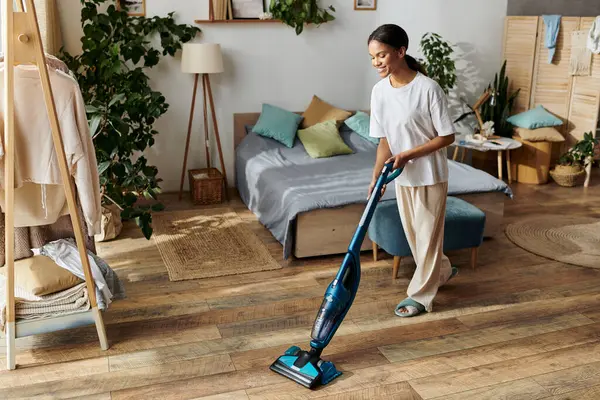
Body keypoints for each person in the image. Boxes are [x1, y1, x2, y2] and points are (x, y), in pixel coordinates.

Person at [366, 24, 458, 317]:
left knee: (428, 236)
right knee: (418, 238)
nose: (376, 62)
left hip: (431, 175)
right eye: (372, 57)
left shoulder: (428, 89)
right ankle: (442, 270)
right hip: (401, 178)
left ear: (400, 52)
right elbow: (384, 142)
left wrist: (408, 155)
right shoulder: (379, 92)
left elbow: (447, 136)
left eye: (382, 55)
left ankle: (420, 296)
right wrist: (376, 177)